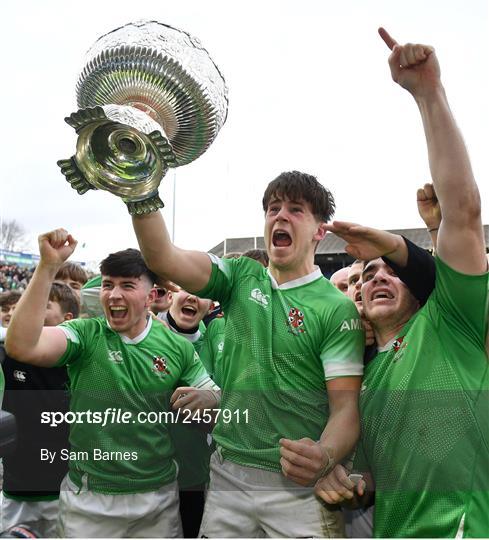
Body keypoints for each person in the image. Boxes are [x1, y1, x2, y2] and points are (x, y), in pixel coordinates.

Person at [316, 28, 489, 537]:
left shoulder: (451, 324)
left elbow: (463, 212)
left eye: (391, 268)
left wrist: (428, 92)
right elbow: (371, 480)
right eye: (367, 274)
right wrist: (341, 479)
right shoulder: (362, 384)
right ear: (358, 304)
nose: (378, 276)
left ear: (419, 284)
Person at [131, 170, 364, 537]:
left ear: (320, 230)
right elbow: (163, 258)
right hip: (228, 476)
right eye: (273, 208)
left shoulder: (335, 308)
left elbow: (345, 408)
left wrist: (325, 454)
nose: (280, 216)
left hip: (298, 486)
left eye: (295, 209)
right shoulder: (239, 277)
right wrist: (139, 188)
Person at [5, 232, 219, 538]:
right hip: (90, 501)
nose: (114, 294)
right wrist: (48, 267)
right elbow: (23, 346)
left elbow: (214, 396)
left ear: (150, 296)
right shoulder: (85, 334)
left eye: (127, 285)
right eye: (108, 285)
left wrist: (209, 398)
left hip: (158, 498)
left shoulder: (176, 347)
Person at [1, 282, 78, 537]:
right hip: (18, 487)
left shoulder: (82, 361)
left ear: (67, 319)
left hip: (66, 490)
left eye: (44, 305)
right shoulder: (12, 352)